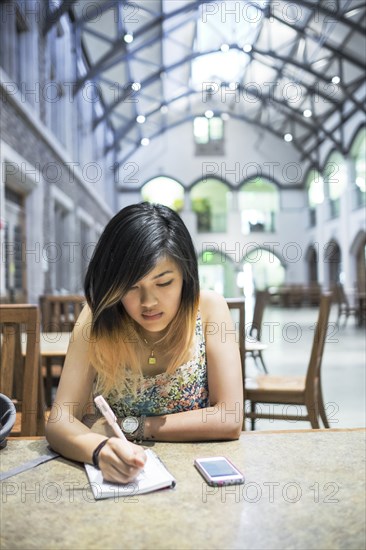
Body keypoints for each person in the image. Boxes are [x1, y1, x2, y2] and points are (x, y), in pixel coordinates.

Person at [45, 202, 243, 484]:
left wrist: (135, 427)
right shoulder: (97, 317)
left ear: (186, 277)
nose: (148, 302)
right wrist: (101, 450)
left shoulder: (210, 309)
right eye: (131, 286)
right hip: (122, 481)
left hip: (196, 474)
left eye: (164, 283)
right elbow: (59, 421)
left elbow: (230, 417)